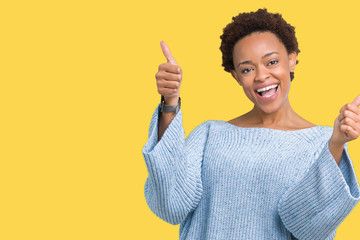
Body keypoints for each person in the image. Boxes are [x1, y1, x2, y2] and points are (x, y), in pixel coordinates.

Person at [142, 8, 360, 240]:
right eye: (247, 69)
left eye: (272, 62)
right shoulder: (210, 134)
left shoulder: (325, 143)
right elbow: (170, 204)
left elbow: (309, 228)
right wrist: (170, 101)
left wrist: (337, 143)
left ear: (292, 60)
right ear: (236, 76)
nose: (261, 76)